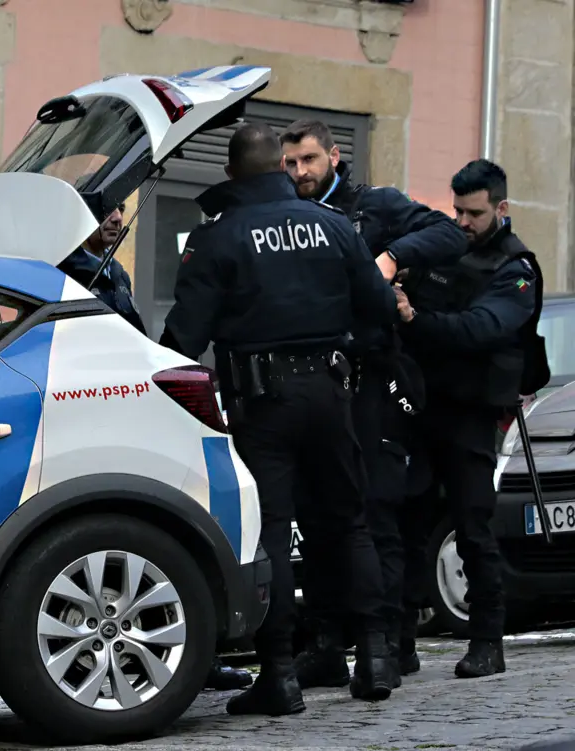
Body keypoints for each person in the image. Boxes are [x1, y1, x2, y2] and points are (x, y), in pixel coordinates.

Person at [160, 122, 399, 715]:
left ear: (232, 173)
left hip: (262, 402)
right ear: (281, 168)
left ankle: (279, 675)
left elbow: (183, 339)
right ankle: (374, 657)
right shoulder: (333, 225)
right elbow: (378, 306)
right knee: (348, 524)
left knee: (269, 531)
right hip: (331, 391)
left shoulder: (218, 237)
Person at [279, 120, 468, 688]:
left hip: (371, 382)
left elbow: (448, 235)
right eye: (290, 163)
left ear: (335, 156)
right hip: (315, 384)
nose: (300, 172)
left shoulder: (374, 206)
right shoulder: (283, 216)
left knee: (376, 513)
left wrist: (388, 257)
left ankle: (385, 644)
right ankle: (326, 643)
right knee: (317, 516)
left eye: (309, 160)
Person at [60, 201, 255, 692]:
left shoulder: (114, 272)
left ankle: (187, 657)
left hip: (128, 415)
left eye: (119, 210)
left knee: (157, 545)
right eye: (102, 211)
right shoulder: (66, 274)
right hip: (89, 421)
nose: (114, 219)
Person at [395, 159, 546, 678]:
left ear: (501, 208)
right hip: (423, 406)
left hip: (473, 414)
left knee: (472, 527)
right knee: (409, 522)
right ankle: (400, 641)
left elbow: (481, 329)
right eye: (457, 210)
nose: (462, 222)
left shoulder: (516, 268)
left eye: (474, 213)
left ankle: (487, 640)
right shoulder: (443, 248)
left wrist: (416, 318)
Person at [57, 204, 147, 335]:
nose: (118, 217)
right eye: (107, 209)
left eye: (121, 209)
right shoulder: (62, 273)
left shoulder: (120, 275)